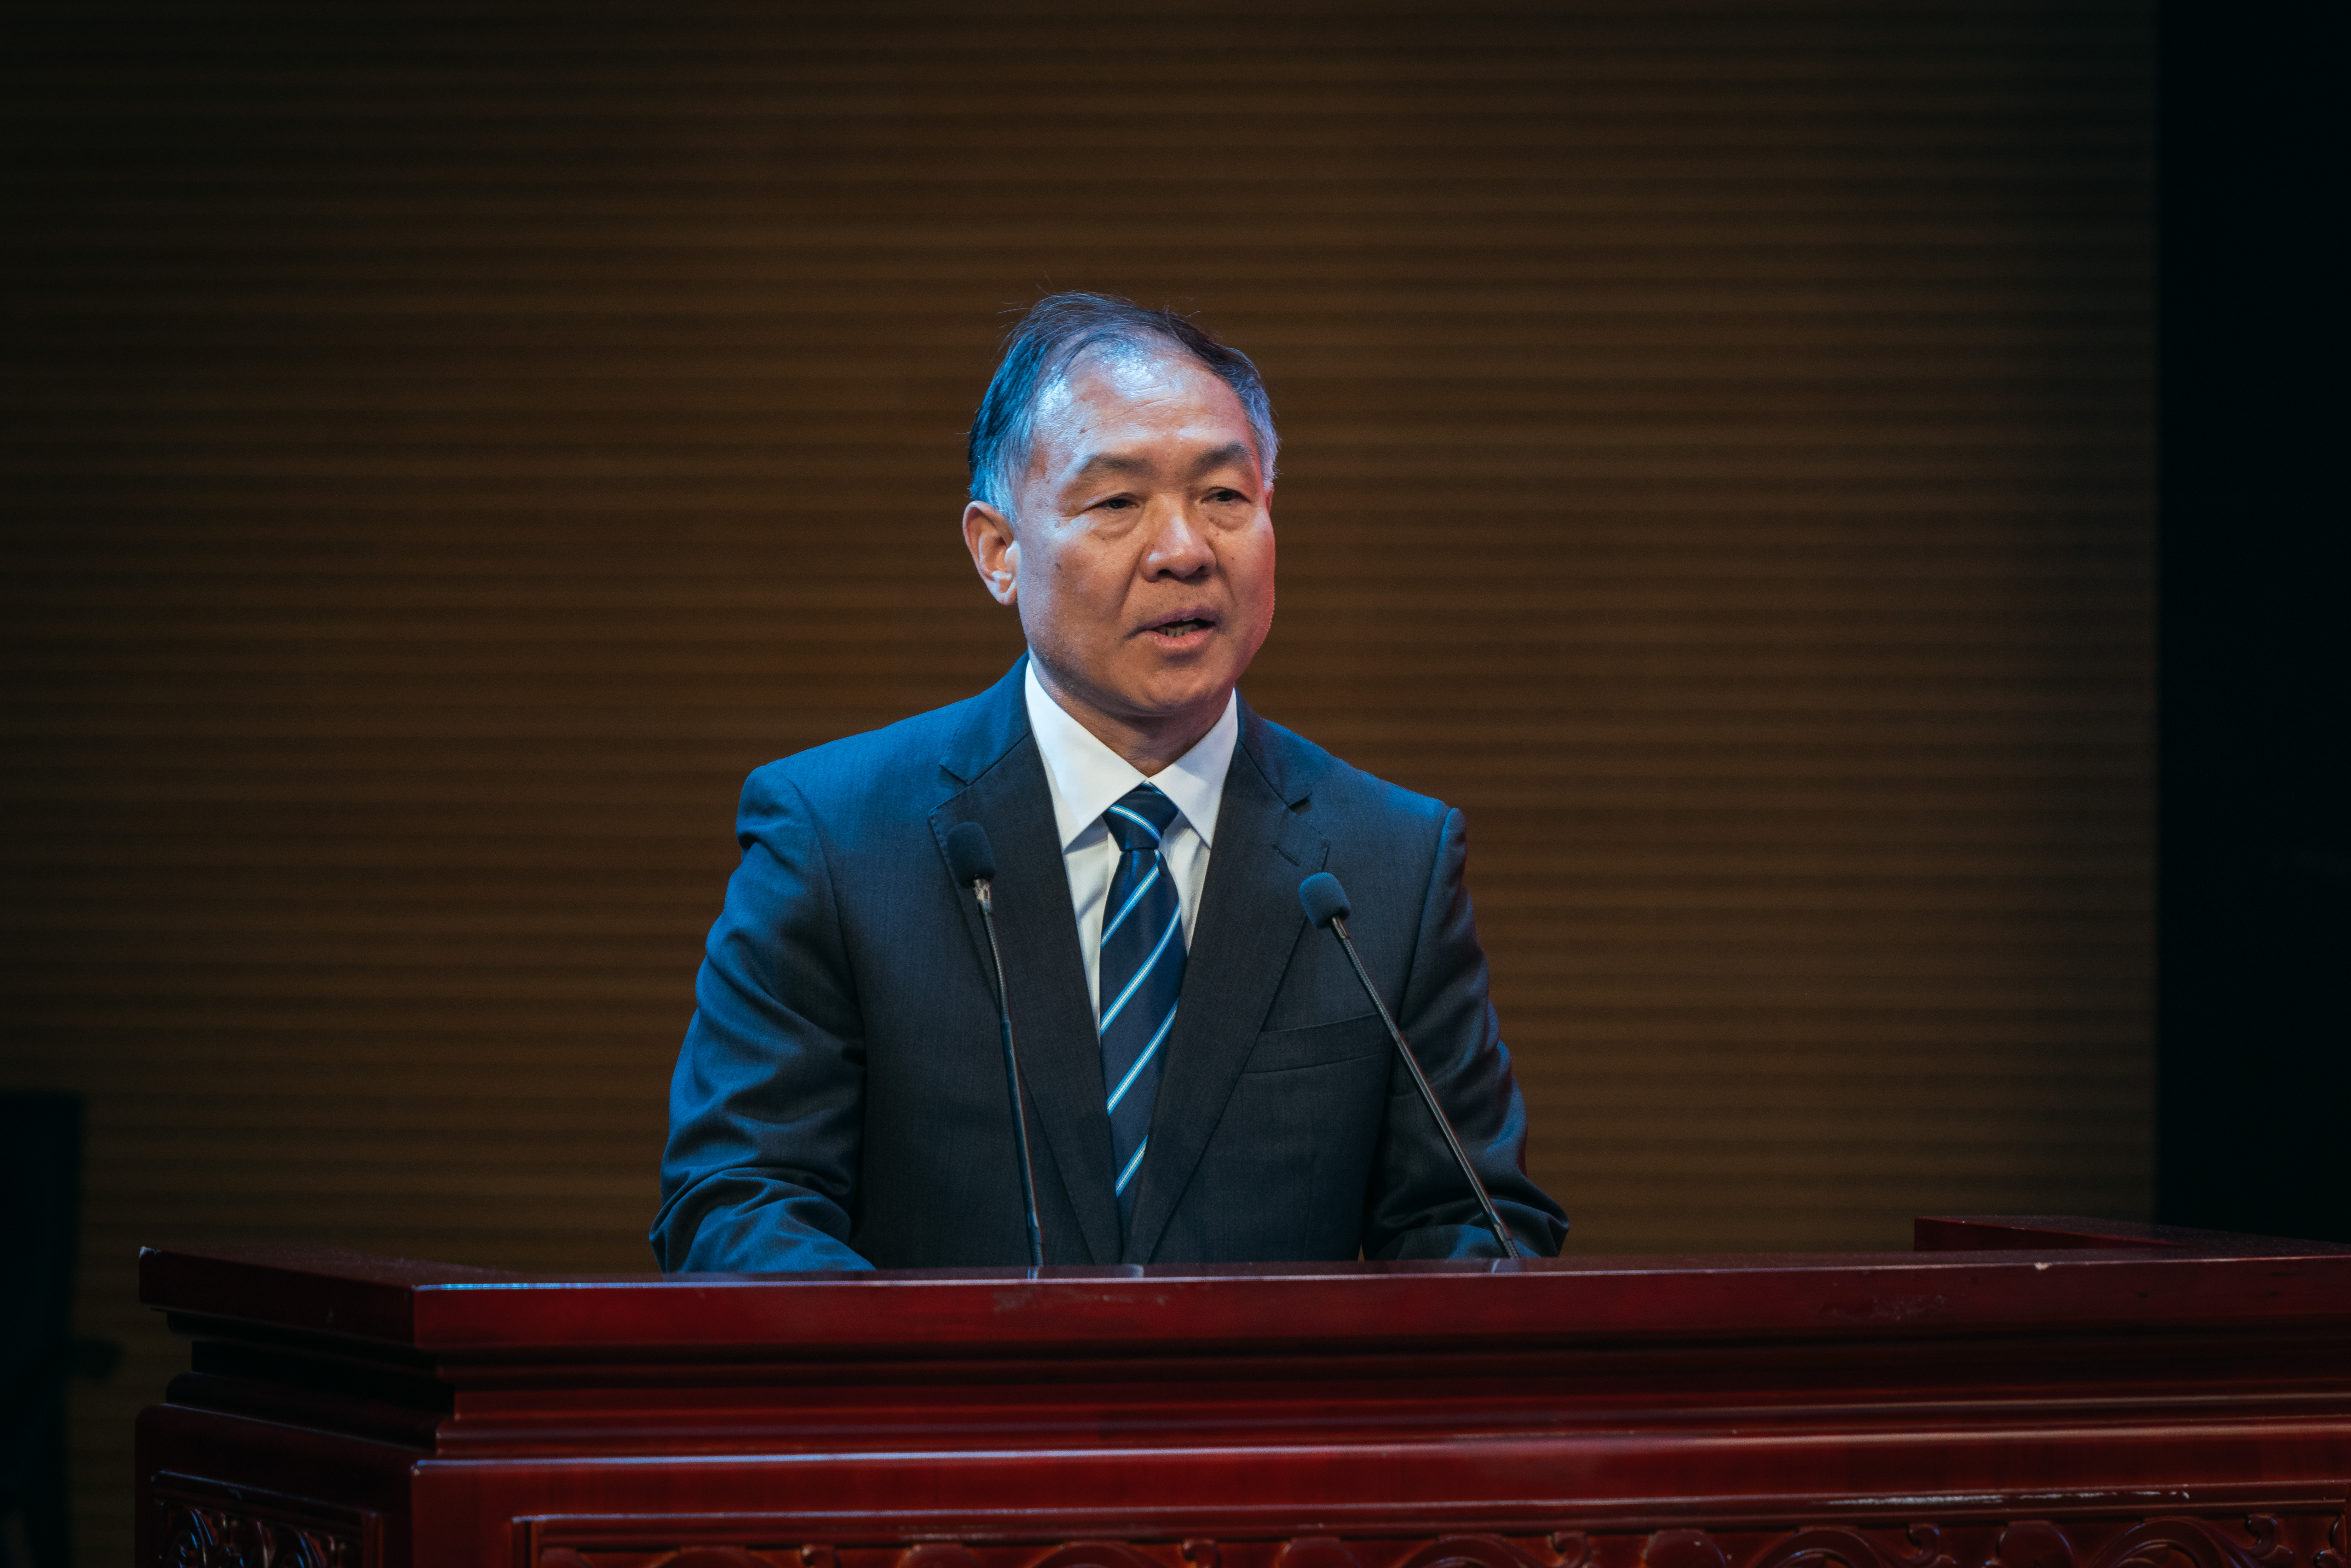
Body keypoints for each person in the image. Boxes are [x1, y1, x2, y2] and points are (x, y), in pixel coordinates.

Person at [651, 293, 1567, 1270]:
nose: (1184, 551)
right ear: (999, 552)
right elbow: (739, 1202)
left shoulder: (1389, 863)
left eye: (1225, 496)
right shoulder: (835, 839)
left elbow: (1475, 1225)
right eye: (1118, 503)